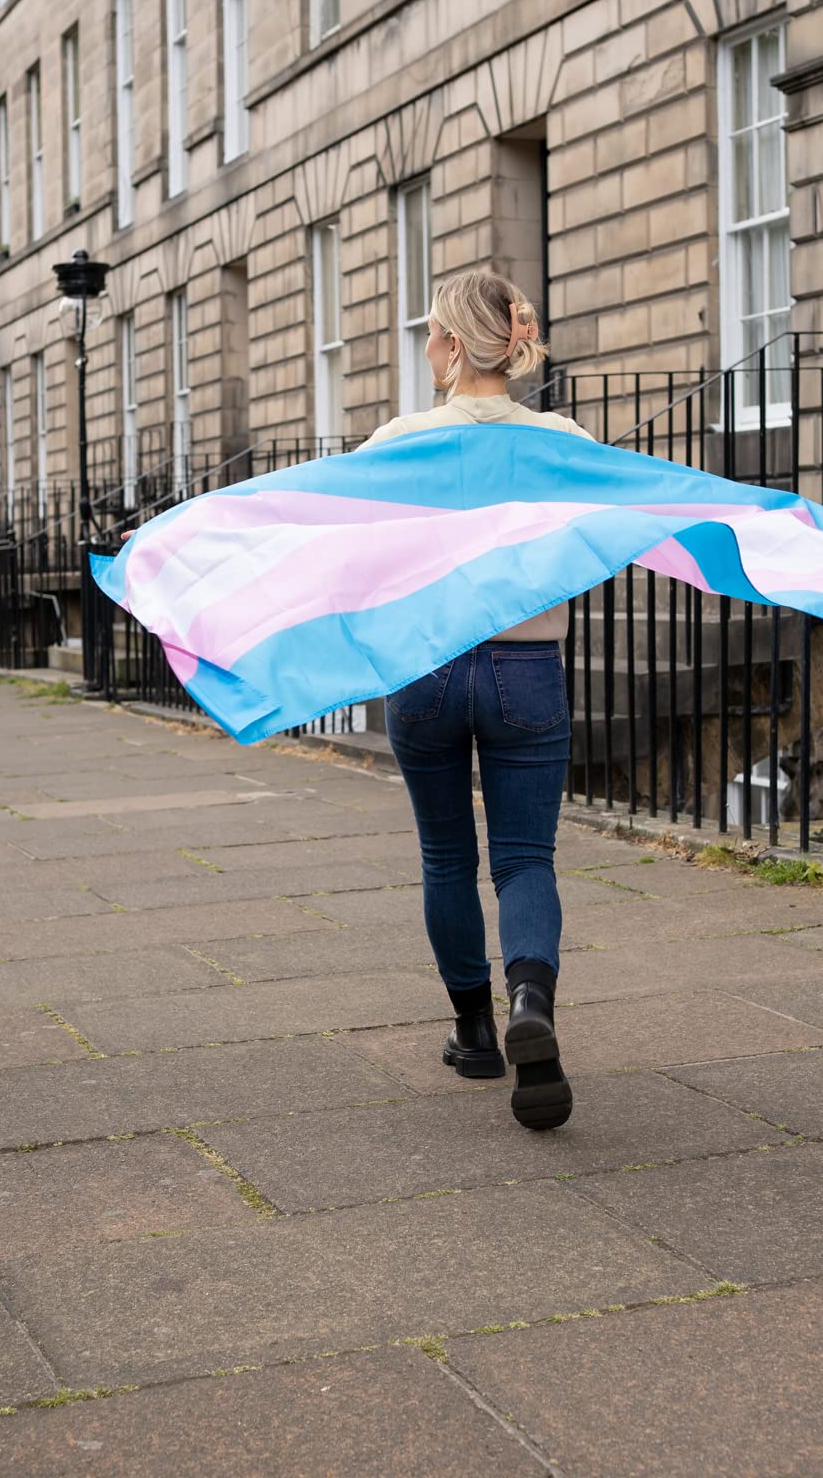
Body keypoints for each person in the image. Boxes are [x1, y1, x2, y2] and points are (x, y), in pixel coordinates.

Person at [359, 267, 594, 1132]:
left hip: (425, 668)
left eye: (430, 335)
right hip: (527, 669)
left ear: (456, 346)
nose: (426, 349)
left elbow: (347, 543)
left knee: (445, 858)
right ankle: (530, 1000)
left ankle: (474, 1034)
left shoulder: (396, 440)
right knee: (525, 858)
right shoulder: (562, 438)